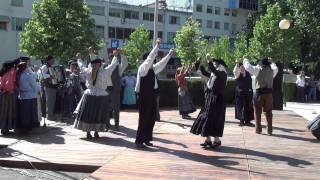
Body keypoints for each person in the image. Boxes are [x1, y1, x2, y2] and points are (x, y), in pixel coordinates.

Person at [135, 38, 175, 148]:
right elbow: (150, 58)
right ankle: (139, 140)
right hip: (144, 96)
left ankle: (147, 139)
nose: (154, 60)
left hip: (152, 95)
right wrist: (157, 46)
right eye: (152, 59)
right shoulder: (143, 68)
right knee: (143, 118)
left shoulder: (152, 68)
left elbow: (161, 64)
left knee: (151, 118)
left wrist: (169, 55)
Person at [74, 55, 119, 139]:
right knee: (98, 114)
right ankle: (95, 132)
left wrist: (79, 58)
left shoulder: (89, 71)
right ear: (100, 64)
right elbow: (113, 65)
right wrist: (116, 56)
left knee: (90, 114)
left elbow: (81, 66)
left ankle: (89, 132)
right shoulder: (105, 71)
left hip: (91, 95)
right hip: (99, 96)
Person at [190, 58, 227, 148]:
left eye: (215, 63)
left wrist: (209, 61)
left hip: (218, 99)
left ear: (220, 65)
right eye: (213, 63)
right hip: (210, 98)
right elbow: (204, 72)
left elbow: (215, 71)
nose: (214, 65)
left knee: (215, 119)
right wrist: (199, 63)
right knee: (206, 117)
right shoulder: (214, 74)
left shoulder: (222, 73)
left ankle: (216, 140)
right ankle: (208, 140)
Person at [243, 57, 278, 135]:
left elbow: (247, 67)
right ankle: (269, 130)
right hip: (269, 94)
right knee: (269, 112)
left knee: (257, 112)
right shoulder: (273, 70)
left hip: (259, 93)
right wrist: (272, 62)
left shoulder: (257, 69)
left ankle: (258, 129)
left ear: (261, 63)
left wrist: (245, 59)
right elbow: (275, 67)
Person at [16, 62, 41, 133]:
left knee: (24, 113)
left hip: (22, 96)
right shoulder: (28, 76)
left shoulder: (18, 75)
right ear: (26, 68)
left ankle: (24, 127)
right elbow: (35, 87)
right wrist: (39, 87)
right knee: (30, 113)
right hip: (30, 96)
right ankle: (28, 127)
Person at [108, 49, 128, 130]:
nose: (112, 60)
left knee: (116, 108)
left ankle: (116, 124)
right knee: (106, 108)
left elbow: (125, 63)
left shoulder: (118, 67)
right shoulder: (105, 67)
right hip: (106, 91)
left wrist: (122, 55)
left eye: (113, 58)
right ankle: (107, 123)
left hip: (115, 90)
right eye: (110, 58)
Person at [0, 60, 19, 135]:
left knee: (3, 112)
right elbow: (9, 84)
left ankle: (3, 128)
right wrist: (11, 89)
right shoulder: (9, 74)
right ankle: (5, 128)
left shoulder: (3, 74)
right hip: (8, 95)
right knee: (8, 111)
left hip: (3, 94)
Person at [233, 60, 254, 126]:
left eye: (242, 66)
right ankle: (241, 121)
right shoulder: (238, 74)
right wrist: (237, 64)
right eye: (240, 67)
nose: (242, 68)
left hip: (248, 92)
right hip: (240, 93)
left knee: (248, 106)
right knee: (240, 106)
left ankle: (248, 121)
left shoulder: (248, 73)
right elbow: (235, 71)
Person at [39, 55, 58, 120]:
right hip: (47, 86)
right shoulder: (44, 66)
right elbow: (41, 75)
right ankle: (49, 116)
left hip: (52, 86)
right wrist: (50, 75)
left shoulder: (51, 67)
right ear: (49, 60)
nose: (53, 61)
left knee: (52, 101)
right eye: (52, 60)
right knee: (49, 101)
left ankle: (51, 114)